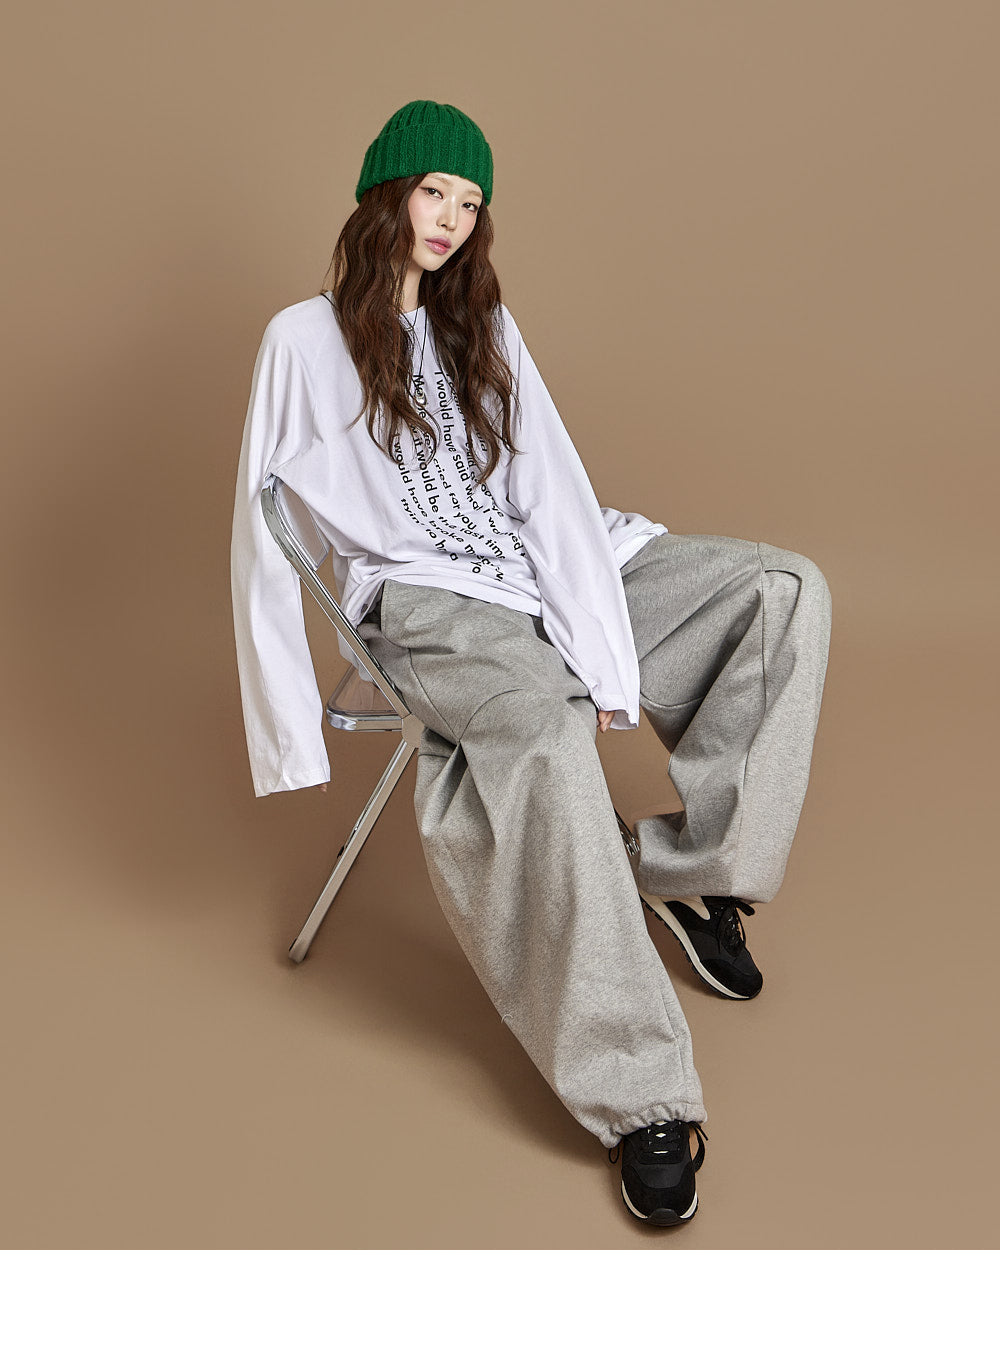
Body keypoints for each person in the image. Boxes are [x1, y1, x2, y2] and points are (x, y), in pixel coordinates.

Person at [230, 99, 832, 1227]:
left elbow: (550, 487)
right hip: (426, 602)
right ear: (386, 194)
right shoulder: (298, 342)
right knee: (546, 733)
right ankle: (642, 1095)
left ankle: (697, 875)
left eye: (470, 202)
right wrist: (287, 730)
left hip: (547, 566)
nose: (451, 219)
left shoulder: (483, 328)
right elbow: (260, 532)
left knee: (782, 589)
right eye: (434, 191)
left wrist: (602, 651)